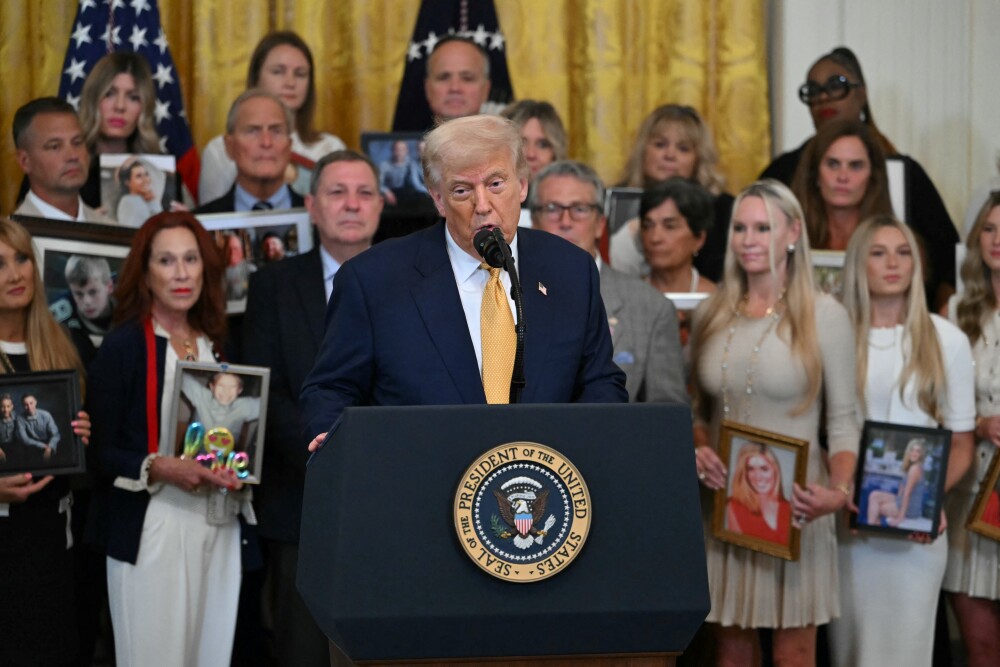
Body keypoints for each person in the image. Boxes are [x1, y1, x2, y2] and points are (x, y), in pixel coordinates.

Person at [300, 115, 626, 445]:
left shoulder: (571, 270)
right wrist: (331, 436)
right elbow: (332, 388)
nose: (482, 205)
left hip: (542, 481)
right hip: (421, 480)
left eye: (496, 184)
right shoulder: (373, 280)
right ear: (438, 199)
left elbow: (599, 381)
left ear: (523, 184)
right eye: (461, 190)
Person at [690, 180, 859, 664]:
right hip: (726, 507)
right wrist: (700, 447)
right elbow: (699, 413)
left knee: (794, 654)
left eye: (763, 227)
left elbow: (845, 421)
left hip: (798, 507)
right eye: (741, 227)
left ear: (793, 233)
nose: (749, 239)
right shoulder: (711, 312)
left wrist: (840, 491)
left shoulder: (824, 316)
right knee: (731, 652)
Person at [88, 212, 252, 666]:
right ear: (144, 273)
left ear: (206, 268)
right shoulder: (123, 347)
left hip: (217, 525)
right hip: (151, 525)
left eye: (190, 259)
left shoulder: (216, 345)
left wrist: (234, 467)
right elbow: (99, 453)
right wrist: (158, 465)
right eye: (166, 260)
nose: (181, 273)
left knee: (210, 655)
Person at [243, 149, 383, 667]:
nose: (351, 204)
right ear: (312, 206)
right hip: (300, 501)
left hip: (392, 503)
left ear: (380, 205)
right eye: (337, 192)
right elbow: (265, 389)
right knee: (301, 651)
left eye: (364, 192)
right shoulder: (271, 285)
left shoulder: (416, 280)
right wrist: (329, 452)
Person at [830, 215, 974, 667]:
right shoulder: (835, 335)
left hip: (918, 533)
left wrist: (928, 503)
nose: (893, 263)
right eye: (878, 252)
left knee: (908, 653)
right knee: (849, 652)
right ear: (858, 263)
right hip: (851, 527)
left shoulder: (946, 339)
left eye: (903, 251)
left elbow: (963, 443)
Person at [761, 46, 958, 308]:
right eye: (813, 90)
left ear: (862, 93)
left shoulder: (904, 173)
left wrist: (944, 317)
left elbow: (950, 263)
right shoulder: (782, 172)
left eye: (836, 85)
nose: (824, 97)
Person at [0, 218, 92, 666]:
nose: (15, 274)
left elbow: (82, 454)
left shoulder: (64, 344)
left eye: (21, 259)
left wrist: (82, 438)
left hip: (55, 547)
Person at [529, 160, 686, 405]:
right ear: (534, 222)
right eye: (552, 208)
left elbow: (665, 417)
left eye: (579, 209)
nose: (566, 221)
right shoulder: (504, 295)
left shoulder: (651, 307)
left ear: (600, 224)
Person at [944, 192, 1000, 667]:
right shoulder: (958, 310)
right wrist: (979, 424)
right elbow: (935, 407)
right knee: (980, 652)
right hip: (968, 496)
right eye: (990, 229)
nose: (998, 240)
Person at [199, 31, 346, 202]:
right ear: (256, 78)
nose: (290, 83)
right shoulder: (220, 151)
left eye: (300, 74)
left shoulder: (330, 147)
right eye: (278, 72)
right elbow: (214, 218)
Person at [609, 104, 734, 282]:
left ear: (699, 158)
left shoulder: (722, 208)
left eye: (683, 148)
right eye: (660, 145)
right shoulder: (614, 201)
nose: (670, 155)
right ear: (643, 150)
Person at [77, 52, 164, 210]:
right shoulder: (67, 165)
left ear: (144, 107)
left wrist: (187, 220)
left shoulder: (160, 165)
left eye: (133, 97)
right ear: (93, 99)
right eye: (109, 94)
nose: (120, 106)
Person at [196, 89, 304, 214]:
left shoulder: (318, 219)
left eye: (276, 131)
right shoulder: (200, 224)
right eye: (252, 131)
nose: (266, 142)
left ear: (289, 146)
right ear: (229, 146)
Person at [791, 119, 892, 251]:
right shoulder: (788, 236)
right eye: (833, 164)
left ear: (873, 177)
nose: (843, 177)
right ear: (814, 173)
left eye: (855, 166)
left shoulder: (895, 243)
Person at [12, 97, 114, 223]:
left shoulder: (113, 231)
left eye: (77, 142)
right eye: (55, 146)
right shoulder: (8, 240)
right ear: (24, 161)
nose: (73, 156)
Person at [639, 178, 716, 295]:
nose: (655, 238)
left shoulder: (715, 301)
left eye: (669, 226)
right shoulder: (626, 296)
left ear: (699, 239)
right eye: (647, 225)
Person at [501, 99, 569, 228]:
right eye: (521, 143)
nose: (531, 154)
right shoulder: (484, 203)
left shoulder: (568, 212)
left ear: (556, 152)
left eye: (543, 145)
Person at [725, 442, 792, 545]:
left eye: (764, 469)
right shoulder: (734, 506)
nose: (758, 477)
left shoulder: (790, 508)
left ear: (775, 470)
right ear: (744, 473)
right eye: (750, 469)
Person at [423, 36, 492, 126]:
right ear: (428, 88)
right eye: (444, 77)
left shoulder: (508, 140)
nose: (455, 88)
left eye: (467, 78)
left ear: (486, 89)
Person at [864, 438, 928, 527]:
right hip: (902, 500)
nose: (914, 453)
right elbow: (901, 490)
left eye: (917, 451)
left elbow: (907, 494)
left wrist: (900, 518)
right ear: (908, 452)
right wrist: (894, 501)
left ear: (921, 455)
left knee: (880, 508)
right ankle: (872, 525)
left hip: (911, 508)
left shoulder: (915, 469)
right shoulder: (910, 467)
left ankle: (870, 527)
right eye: (912, 450)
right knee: (874, 495)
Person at [115, 157, 164, 227]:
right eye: (139, 176)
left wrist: (152, 202)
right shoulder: (129, 201)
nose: (145, 180)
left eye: (146, 174)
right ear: (127, 182)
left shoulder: (145, 199)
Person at [379, 139, 428, 206]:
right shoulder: (384, 165)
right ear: (392, 150)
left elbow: (416, 182)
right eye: (397, 149)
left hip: (408, 196)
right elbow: (378, 183)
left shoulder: (411, 163)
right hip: (391, 194)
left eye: (402, 149)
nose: (399, 152)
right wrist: (386, 191)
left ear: (406, 151)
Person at [15, 394, 60, 464]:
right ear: (23, 406)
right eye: (26, 405)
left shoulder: (46, 414)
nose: (29, 407)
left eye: (31, 403)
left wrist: (50, 447)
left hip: (48, 442)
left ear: (36, 402)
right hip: (32, 444)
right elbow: (25, 439)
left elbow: (56, 434)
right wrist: (43, 446)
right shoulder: (20, 418)